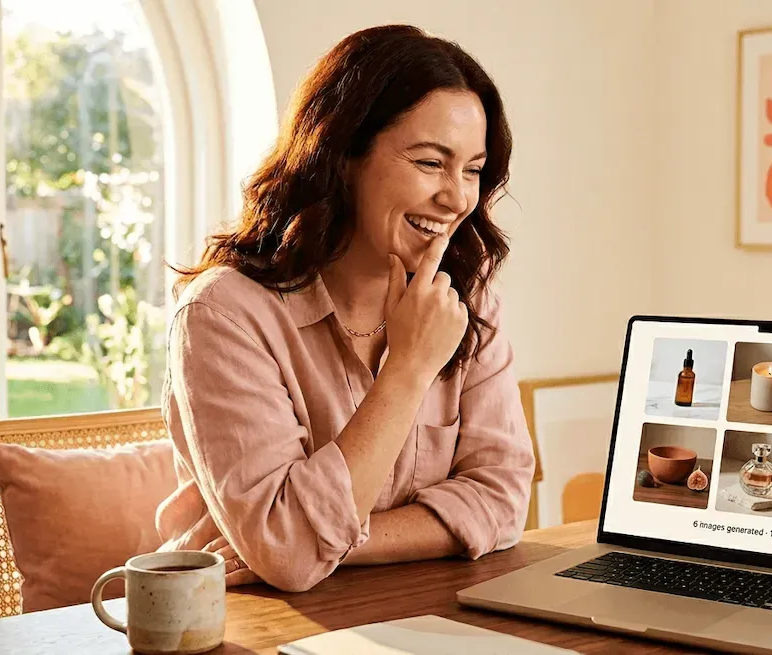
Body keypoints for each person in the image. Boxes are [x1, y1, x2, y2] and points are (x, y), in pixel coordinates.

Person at [155, 24, 535, 593]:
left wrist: (330, 541)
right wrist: (408, 368)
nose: (457, 197)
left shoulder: (467, 302)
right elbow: (289, 557)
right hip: (238, 623)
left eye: (473, 170)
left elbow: (504, 500)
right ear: (343, 154)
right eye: (431, 162)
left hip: (415, 613)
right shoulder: (225, 315)